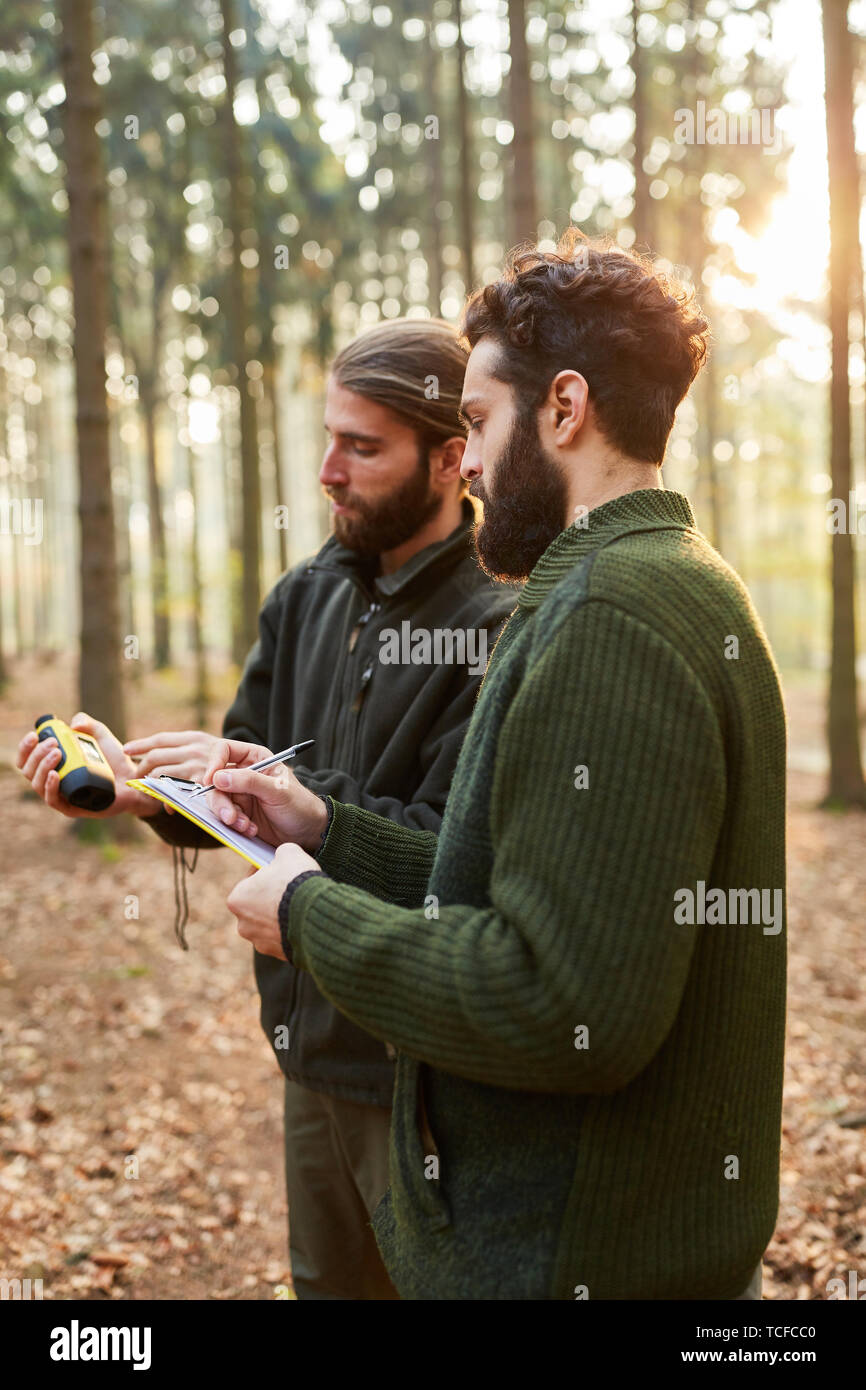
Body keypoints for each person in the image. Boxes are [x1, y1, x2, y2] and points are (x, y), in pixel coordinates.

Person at [204, 233, 788, 1300]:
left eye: (475, 423)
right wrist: (324, 830)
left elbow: (558, 1001)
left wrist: (309, 915)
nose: (464, 461)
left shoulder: (615, 616)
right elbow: (509, 883)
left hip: (579, 1258)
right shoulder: (630, 583)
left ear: (562, 409)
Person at [16, 317, 517, 1301]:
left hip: (430, 1078)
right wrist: (143, 793)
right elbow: (240, 797)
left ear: (452, 456)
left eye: (361, 447)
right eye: (327, 437)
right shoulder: (304, 597)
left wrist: (300, 805)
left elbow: (452, 857)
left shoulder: (499, 625)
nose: (327, 470)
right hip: (307, 1045)